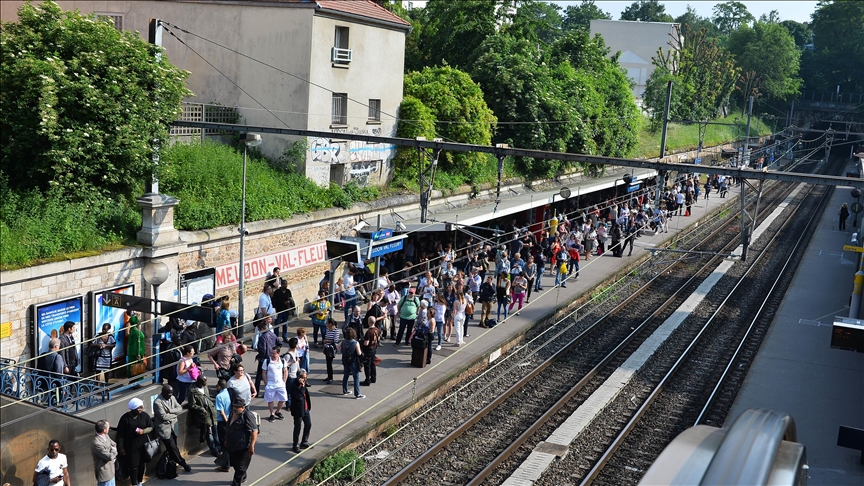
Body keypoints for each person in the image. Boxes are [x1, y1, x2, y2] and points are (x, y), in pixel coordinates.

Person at [153, 384, 192, 472]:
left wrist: (170, 411)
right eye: (168, 394)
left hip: (174, 427)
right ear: (163, 393)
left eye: (171, 393)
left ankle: (171, 466)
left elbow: (179, 408)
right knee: (173, 448)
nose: (170, 395)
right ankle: (183, 463)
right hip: (164, 429)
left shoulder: (172, 398)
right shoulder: (157, 402)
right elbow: (163, 417)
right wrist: (174, 415)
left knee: (173, 447)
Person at [116, 398, 153, 486]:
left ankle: (140, 481)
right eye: (138, 408)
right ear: (133, 408)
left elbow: (151, 426)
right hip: (131, 446)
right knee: (133, 466)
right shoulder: (125, 418)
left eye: (141, 407)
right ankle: (134, 483)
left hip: (142, 445)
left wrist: (143, 431)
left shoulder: (144, 416)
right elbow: (120, 434)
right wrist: (121, 447)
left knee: (141, 464)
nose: (140, 409)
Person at [224, 399, 258, 486]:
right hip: (232, 445)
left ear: (243, 407)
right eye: (234, 406)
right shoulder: (232, 413)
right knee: (235, 464)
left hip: (243, 447)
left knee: (240, 468)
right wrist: (226, 440)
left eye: (236, 407)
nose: (234, 408)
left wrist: (252, 446)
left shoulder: (247, 415)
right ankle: (243, 476)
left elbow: (254, 431)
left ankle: (236, 484)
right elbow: (228, 427)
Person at [187, 376, 218, 449]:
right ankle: (214, 449)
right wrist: (201, 409)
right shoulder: (192, 391)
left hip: (212, 411)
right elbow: (192, 404)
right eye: (204, 382)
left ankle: (218, 446)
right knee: (209, 433)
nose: (205, 384)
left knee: (215, 430)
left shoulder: (205, 387)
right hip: (204, 414)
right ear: (199, 382)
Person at [254, 318, 282, 393]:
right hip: (272, 358)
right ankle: (270, 391)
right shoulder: (273, 335)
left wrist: (259, 355)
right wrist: (276, 352)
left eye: (259, 330)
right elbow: (280, 343)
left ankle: (256, 391)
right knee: (269, 376)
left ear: (262, 329)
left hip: (264, 359)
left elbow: (262, 349)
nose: (259, 331)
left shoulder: (262, 337)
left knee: (259, 376)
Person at [263, 345, 289, 422]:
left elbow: (285, 371)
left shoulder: (282, 360)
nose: (272, 355)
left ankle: (278, 411)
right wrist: (266, 383)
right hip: (270, 384)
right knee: (270, 400)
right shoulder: (267, 361)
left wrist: (284, 381)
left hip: (280, 384)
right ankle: (272, 414)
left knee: (283, 399)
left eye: (274, 353)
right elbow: (264, 372)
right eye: (271, 353)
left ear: (278, 353)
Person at [289, 369, 312, 453]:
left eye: (305, 377)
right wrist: (302, 386)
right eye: (302, 377)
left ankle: (304, 441)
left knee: (308, 424)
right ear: (298, 377)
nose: (304, 379)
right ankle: (295, 445)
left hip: (305, 408)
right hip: (298, 411)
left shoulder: (304, 383)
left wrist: (304, 384)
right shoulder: (294, 385)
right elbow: (299, 397)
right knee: (297, 428)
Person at [214, 379, 232, 472]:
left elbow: (221, 412)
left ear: (219, 386)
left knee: (223, 444)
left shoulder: (219, 396)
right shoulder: (228, 393)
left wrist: (226, 423)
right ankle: (227, 463)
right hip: (230, 419)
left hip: (223, 422)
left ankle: (226, 465)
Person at [92, 420, 117, 486]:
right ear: (104, 430)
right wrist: (113, 451)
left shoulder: (106, 436)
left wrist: (112, 450)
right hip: (105, 475)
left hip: (111, 471)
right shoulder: (97, 443)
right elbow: (109, 457)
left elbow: (114, 444)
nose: (109, 428)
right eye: (108, 427)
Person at [341, 328, 364, 399]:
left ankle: (345, 390)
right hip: (353, 361)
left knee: (346, 376)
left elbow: (338, 347)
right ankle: (357, 394)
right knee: (356, 377)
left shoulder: (343, 342)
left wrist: (343, 352)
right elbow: (359, 353)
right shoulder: (355, 343)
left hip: (345, 361)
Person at [360, 318, 379, 386]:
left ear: (369, 322)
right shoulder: (377, 329)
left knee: (367, 365)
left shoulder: (369, 332)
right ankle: (373, 378)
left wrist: (361, 342)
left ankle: (367, 380)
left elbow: (366, 343)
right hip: (374, 348)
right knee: (373, 363)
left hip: (368, 350)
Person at [322, 317, 341, 384]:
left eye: (327, 323)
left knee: (329, 363)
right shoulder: (328, 329)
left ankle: (331, 378)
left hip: (331, 348)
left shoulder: (336, 330)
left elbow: (335, 341)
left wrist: (327, 341)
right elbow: (326, 337)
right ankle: (328, 376)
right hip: (327, 348)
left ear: (330, 324)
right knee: (327, 363)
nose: (326, 324)